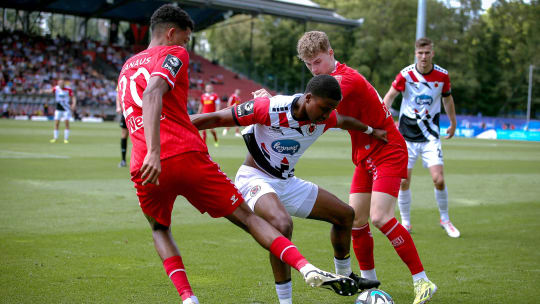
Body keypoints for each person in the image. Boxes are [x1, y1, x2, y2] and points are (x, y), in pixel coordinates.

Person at [117, 6, 357, 304]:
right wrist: (158, 149)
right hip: (184, 153)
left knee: (159, 229)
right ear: (171, 33)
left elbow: (131, 114)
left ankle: (188, 298)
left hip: (143, 166)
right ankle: (305, 267)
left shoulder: (126, 67)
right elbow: (154, 93)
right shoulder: (174, 53)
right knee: (248, 218)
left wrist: (150, 152)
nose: (186, 45)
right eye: (186, 39)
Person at [192, 75, 384, 304]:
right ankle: (286, 302)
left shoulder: (326, 116)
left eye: (331, 109)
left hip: (287, 183)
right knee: (282, 225)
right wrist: (166, 125)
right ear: (308, 98)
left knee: (346, 215)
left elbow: (344, 121)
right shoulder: (269, 108)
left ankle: (345, 277)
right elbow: (213, 118)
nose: (326, 115)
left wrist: (372, 131)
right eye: (324, 108)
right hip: (254, 178)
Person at [295, 31, 437, 304]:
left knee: (381, 217)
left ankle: (423, 281)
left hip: (389, 150)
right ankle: (369, 284)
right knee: (355, 220)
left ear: (331, 54)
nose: (314, 69)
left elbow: (312, 106)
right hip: (365, 153)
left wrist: (270, 104)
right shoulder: (331, 81)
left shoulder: (344, 80)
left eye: (318, 61)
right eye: (309, 64)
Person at [383, 37, 460, 238]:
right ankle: (406, 223)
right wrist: (382, 121)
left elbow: (448, 99)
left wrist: (453, 122)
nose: (424, 57)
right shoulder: (406, 75)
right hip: (406, 138)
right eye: (420, 53)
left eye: (427, 53)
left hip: (430, 136)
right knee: (403, 182)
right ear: (415, 53)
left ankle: (445, 219)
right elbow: (390, 97)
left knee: (439, 179)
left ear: (432, 53)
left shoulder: (442, 75)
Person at [49, 78, 76, 143]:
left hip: (66, 108)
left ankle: (66, 139)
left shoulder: (68, 89)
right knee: (56, 123)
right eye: (59, 83)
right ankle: (55, 138)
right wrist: (43, 91)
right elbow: (50, 91)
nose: (60, 84)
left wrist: (73, 104)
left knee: (66, 123)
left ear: (64, 83)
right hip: (58, 108)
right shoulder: (56, 88)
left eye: (62, 83)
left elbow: (73, 97)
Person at [116, 92, 128, 167]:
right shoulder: (123, 80)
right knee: (124, 135)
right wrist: (118, 106)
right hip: (127, 110)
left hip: (140, 109)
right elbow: (118, 93)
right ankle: (123, 160)